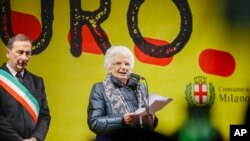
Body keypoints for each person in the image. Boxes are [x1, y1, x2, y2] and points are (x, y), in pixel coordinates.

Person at [87, 46, 158, 141]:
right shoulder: (99, 89)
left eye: (127, 64)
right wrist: (122, 120)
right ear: (109, 68)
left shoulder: (140, 88)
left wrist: (151, 120)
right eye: (118, 63)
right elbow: (94, 123)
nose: (123, 67)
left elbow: (149, 124)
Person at [0, 34, 51, 141]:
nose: (24, 58)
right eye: (20, 52)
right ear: (8, 53)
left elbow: (44, 116)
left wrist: (35, 138)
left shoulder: (37, 82)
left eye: (28, 53)